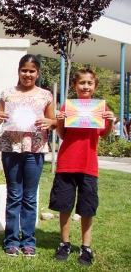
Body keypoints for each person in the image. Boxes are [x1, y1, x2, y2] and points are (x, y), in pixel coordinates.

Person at [49, 68, 114, 266]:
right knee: (64, 206)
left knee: (87, 208)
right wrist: (60, 121)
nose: (85, 86)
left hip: (88, 165)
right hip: (67, 163)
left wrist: (110, 122)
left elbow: (103, 135)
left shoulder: (100, 108)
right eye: (82, 83)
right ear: (75, 86)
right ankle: (65, 243)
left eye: (89, 83)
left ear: (94, 86)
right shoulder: (68, 106)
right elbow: (62, 135)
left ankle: (86, 247)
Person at [0, 54, 56, 257]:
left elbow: (53, 121)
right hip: (11, 148)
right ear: (18, 71)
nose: (27, 74)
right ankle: (11, 240)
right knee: (14, 195)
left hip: (35, 149)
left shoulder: (46, 95)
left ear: (37, 73)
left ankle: (28, 241)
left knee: (29, 197)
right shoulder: (7, 93)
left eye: (32, 71)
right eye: (24, 70)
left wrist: (48, 122)